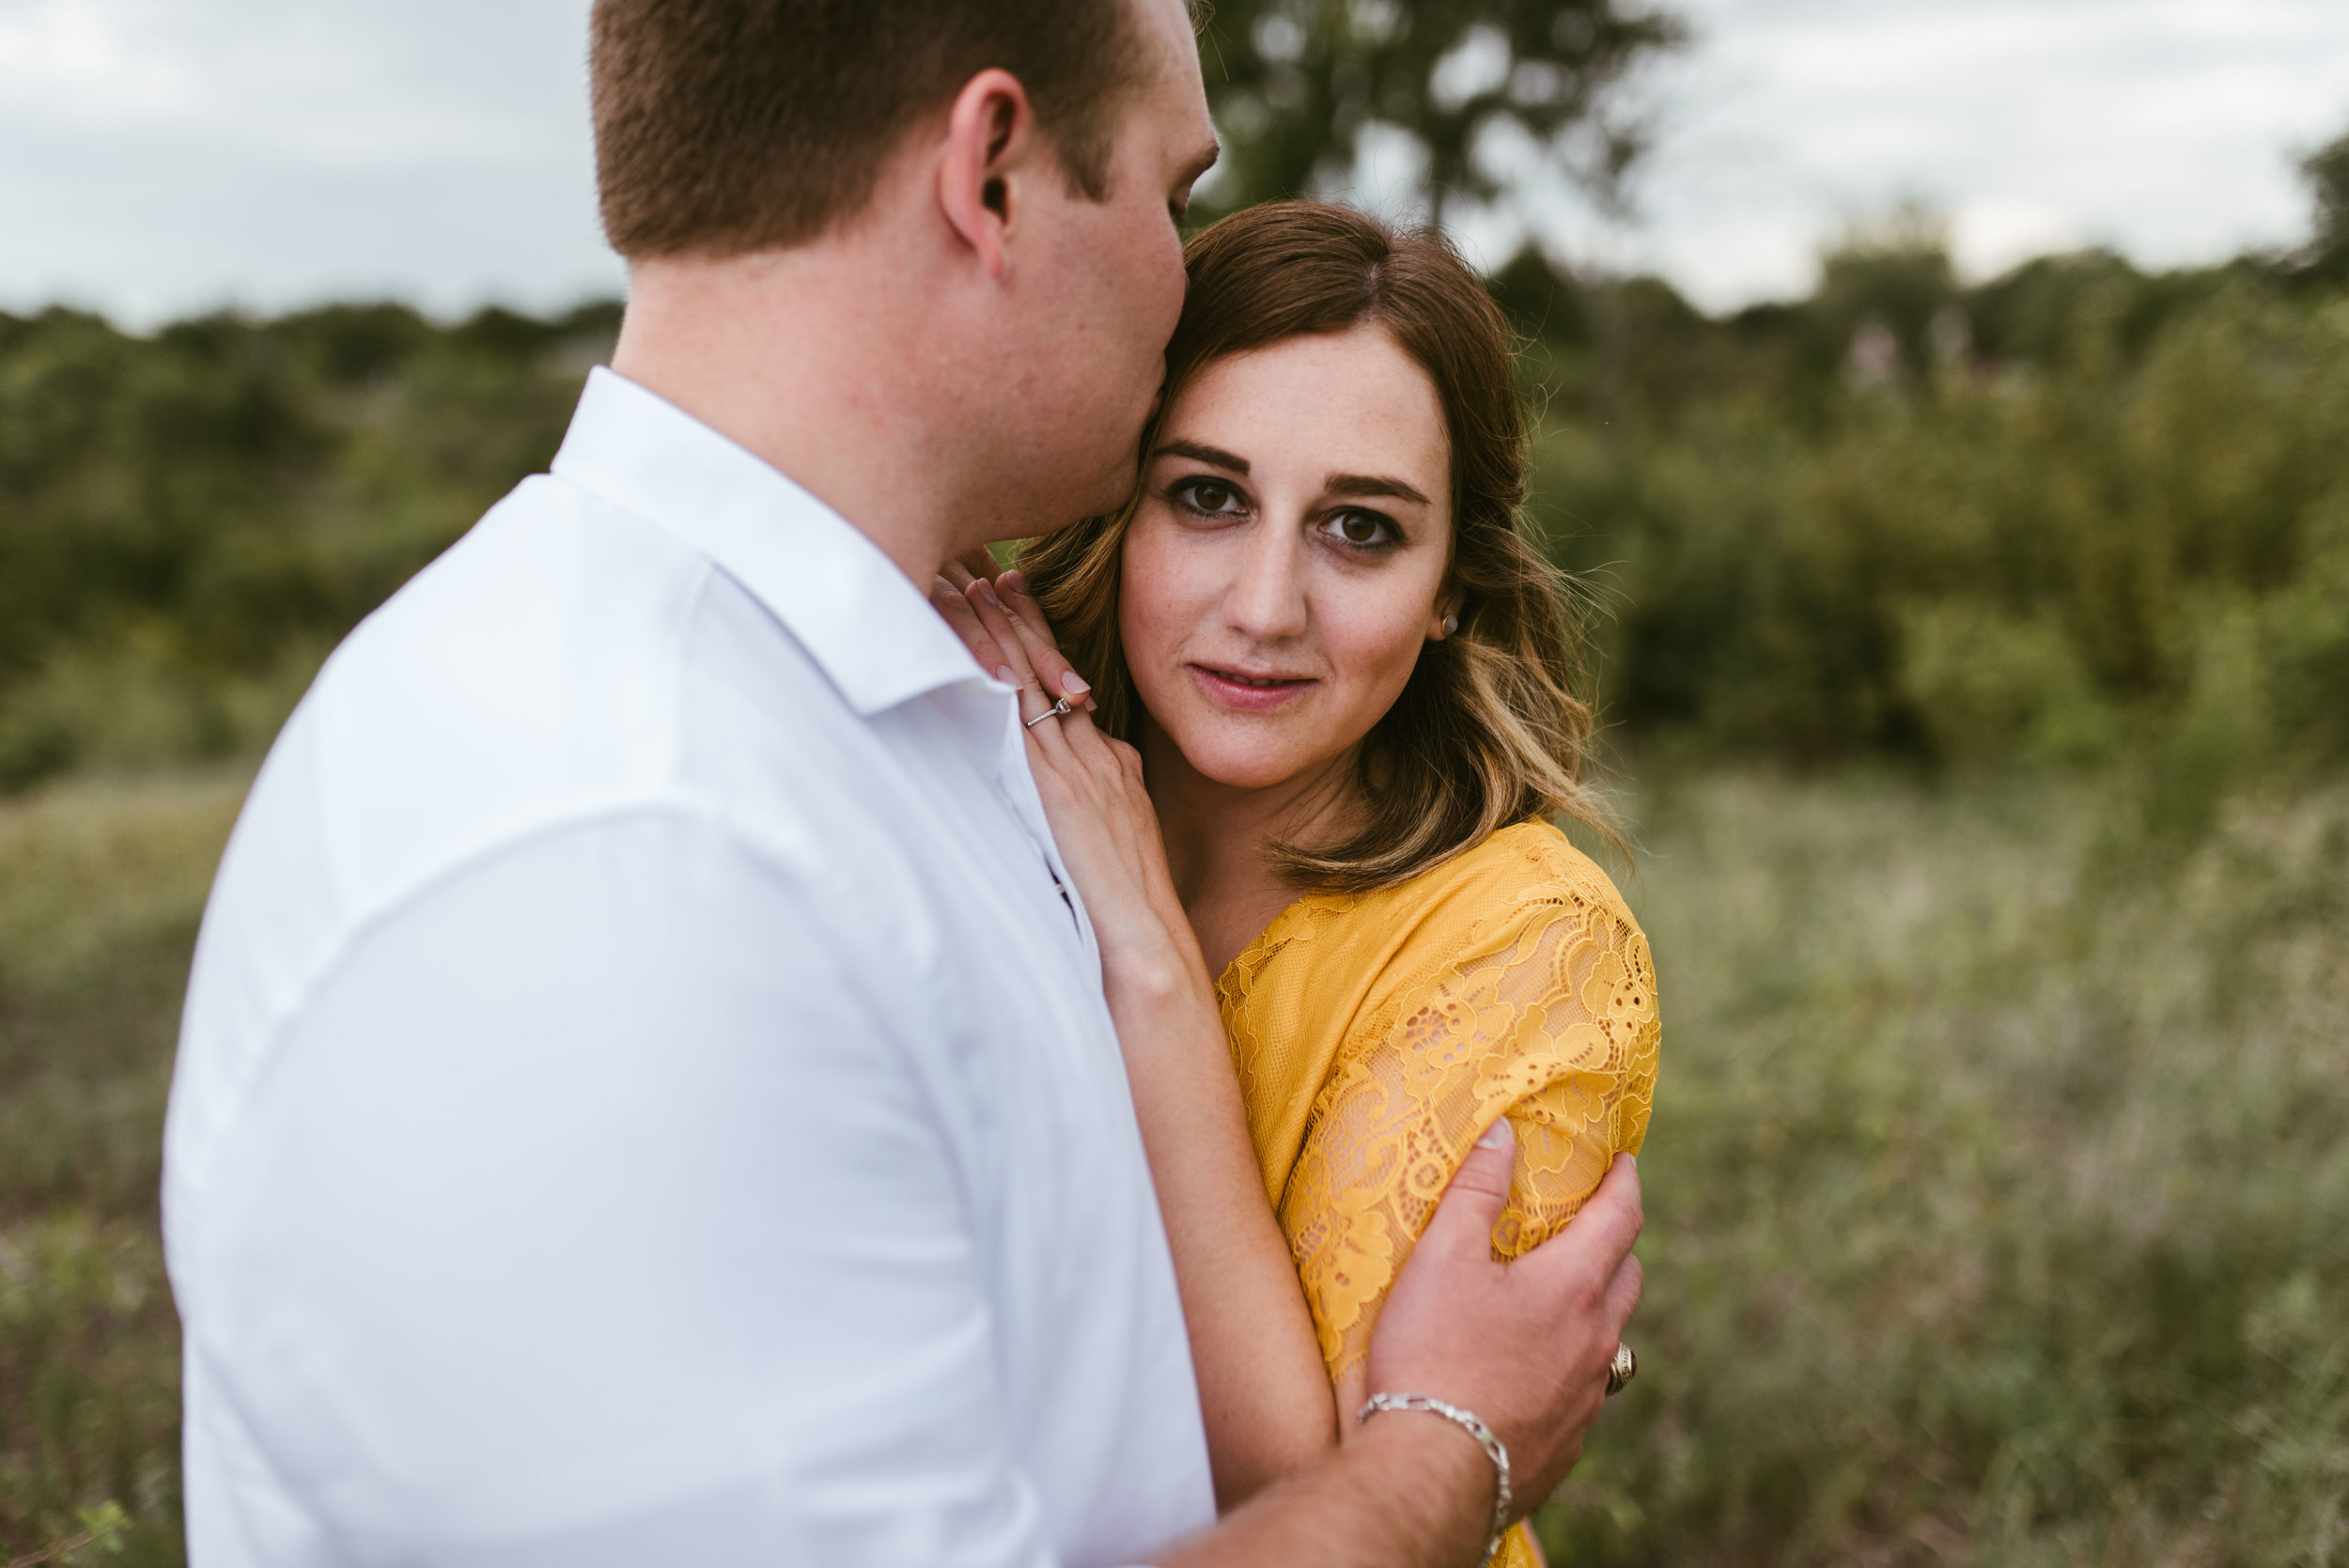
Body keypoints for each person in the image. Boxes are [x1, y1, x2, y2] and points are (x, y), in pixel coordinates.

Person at [160, 2, 1643, 1564]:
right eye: (1168, 190)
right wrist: (1449, 1453)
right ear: (990, 173)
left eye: (1358, 528)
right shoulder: (628, 861)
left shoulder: (935, 708)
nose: (1175, 267)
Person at [934, 201, 1659, 1568]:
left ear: (1454, 585)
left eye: (1362, 531)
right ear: (1120, 502)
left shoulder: (1530, 947)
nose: (1266, 604)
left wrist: (1149, 962)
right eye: (1208, 496)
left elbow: (1327, 1488)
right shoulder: (983, 804)